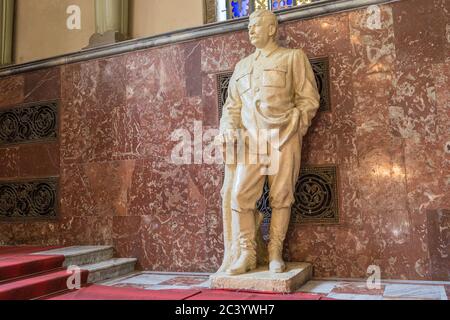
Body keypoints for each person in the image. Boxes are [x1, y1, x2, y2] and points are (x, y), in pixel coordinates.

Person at [218, 9, 320, 275]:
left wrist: (296, 125)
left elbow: (308, 99)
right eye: (249, 26)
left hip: (283, 136)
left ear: (272, 29)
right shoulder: (241, 66)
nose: (250, 30)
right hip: (251, 141)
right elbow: (231, 107)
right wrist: (228, 127)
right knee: (240, 195)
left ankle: (275, 253)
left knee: (281, 197)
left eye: (256, 25)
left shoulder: (292, 58)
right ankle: (247, 254)